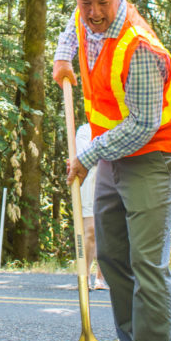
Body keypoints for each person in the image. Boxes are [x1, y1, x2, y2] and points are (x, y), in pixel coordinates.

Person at [52, 0, 171, 341]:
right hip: (113, 152)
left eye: (102, 4)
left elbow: (143, 124)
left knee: (146, 264)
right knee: (112, 258)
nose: (92, 13)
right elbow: (70, 29)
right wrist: (62, 58)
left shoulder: (141, 47)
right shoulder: (82, 16)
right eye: (85, 2)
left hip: (154, 154)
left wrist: (87, 155)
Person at [75, 123, 107, 290]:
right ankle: (85, 274)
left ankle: (101, 277)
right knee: (90, 231)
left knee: (108, 231)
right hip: (90, 183)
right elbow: (85, 157)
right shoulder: (84, 131)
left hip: (111, 181)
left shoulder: (113, 127)